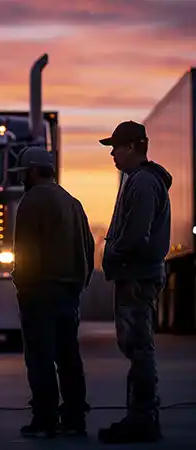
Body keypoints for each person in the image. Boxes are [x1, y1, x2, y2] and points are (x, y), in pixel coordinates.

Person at [9, 147, 94, 438]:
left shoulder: (31, 201)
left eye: (23, 174)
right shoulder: (73, 202)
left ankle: (44, 419)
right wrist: (79, 283)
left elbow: (25, 250)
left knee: (40, 357)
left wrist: (22, 283)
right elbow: (88, 247)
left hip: (39, 291)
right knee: (69, 356)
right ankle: (74, 418)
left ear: (32, 171)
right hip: (69, 291)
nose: (22, 179)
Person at [97, 121, 171, 444]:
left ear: (131, 147)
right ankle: (140, 416)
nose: (112, 153)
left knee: (139, 347)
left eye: (116, 147)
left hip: (136, 276)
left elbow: (136, 234)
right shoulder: (137, 181)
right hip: (136, 275)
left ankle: (142, 419)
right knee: (136, 346)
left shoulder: (141, 183)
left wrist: (114, 252)